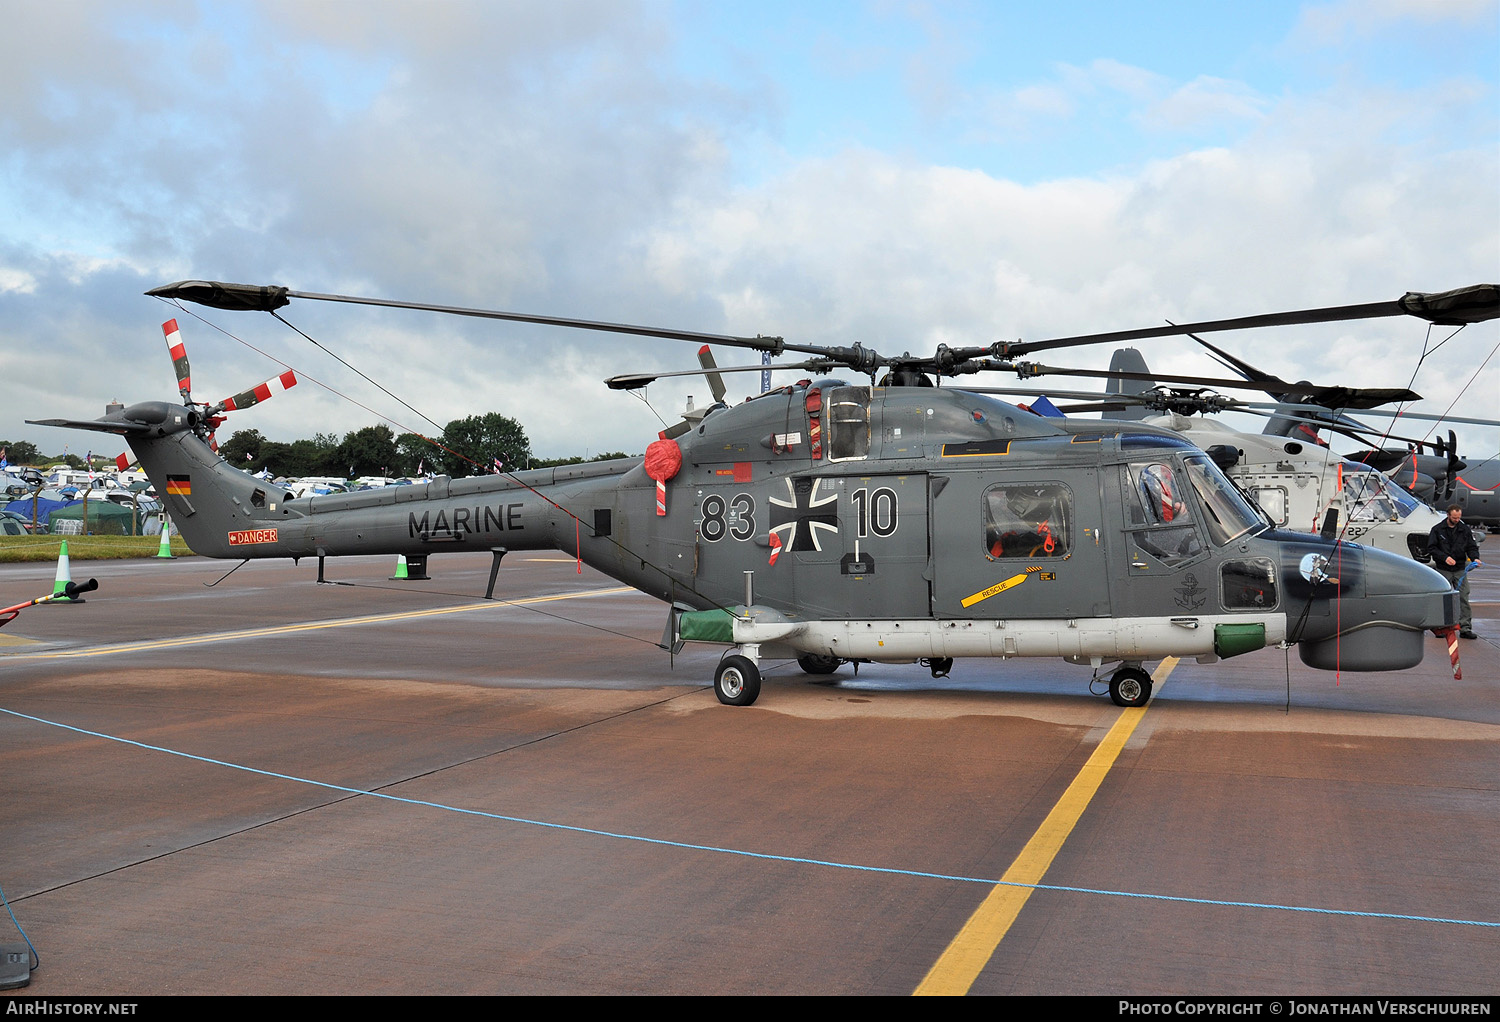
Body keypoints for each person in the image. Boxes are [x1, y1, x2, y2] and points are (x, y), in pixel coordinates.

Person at [1428, 505, 1482, 639]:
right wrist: (1444, 558)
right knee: (1442, 599)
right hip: (1443, 569)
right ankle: (1440, 627)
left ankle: (1465, 628)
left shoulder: (1464, 530)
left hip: (1459, 569)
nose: (1457, 520)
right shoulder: (1437, 530)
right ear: (1448, 515)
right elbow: (1432, 548)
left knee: (1463, 597)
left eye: (1459, 517)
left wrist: (1475, 558)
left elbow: (1471, 546)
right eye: (1454, 518)